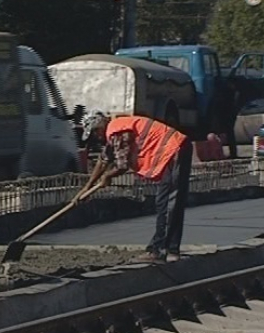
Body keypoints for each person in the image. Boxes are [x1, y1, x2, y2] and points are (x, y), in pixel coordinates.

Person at [76, 111, 192, 262]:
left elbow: (122, 165)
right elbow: (104, 160)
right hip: (174, 151)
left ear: (99, 128)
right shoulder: (116, 130)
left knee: (168, 203)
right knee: (167, 203)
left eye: (94, 134)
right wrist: (87, 188)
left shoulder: (117, 131)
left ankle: (160, 250)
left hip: (174, 150)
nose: (97, 138)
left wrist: (107, 177)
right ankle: (169, 249)